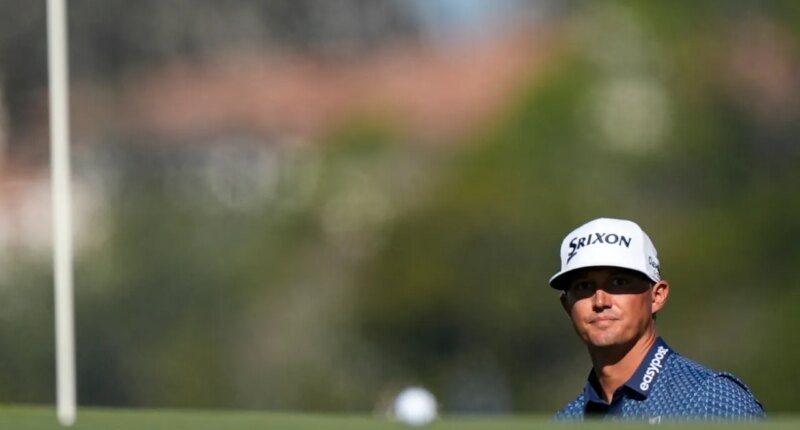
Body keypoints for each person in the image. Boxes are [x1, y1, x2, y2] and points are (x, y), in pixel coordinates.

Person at [550, 217, 765, 422]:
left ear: (657, 295)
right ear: (567, 305)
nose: (600, 301)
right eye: (583, 286)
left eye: (619, 282)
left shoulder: (710, 401)